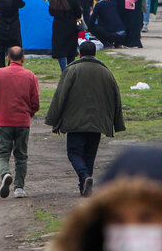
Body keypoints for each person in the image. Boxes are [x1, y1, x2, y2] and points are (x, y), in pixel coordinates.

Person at [45, 40, 125, 195]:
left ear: (79, 54)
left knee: (74, 153)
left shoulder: (71, 70)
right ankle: (84, 186)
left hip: (75, 122)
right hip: (98, 122)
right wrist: (116, 123)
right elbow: (116, 98)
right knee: (90, 154)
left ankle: (84, 176)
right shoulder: (106, 72)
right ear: (95, 53)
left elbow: (60, 97)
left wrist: (54, 120)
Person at [0, 46, 40, 198]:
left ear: (8, 58)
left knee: (1, 154)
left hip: (4, 121)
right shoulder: (30, 76)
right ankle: (19, 188)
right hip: (23, 122)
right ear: (23, 59)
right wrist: (31, 112)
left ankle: (5, 173)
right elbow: (35, 100)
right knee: (21, 155)